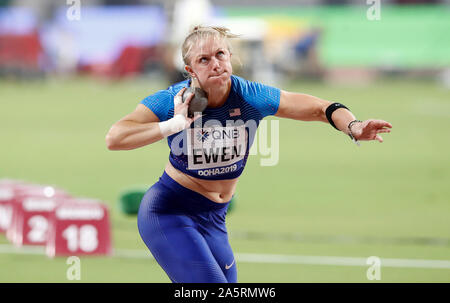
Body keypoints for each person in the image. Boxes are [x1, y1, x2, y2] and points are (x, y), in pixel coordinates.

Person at [105, 25, 392, 283]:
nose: (215, 64)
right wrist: (174, 124)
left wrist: (353, 126)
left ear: (230, 56)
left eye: (220, 54)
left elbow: (321, 108)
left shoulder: (250, 96)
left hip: (216, 216)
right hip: (170, 210)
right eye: (204, 60)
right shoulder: (174, 101)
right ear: (190, 70)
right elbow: (115, 138)